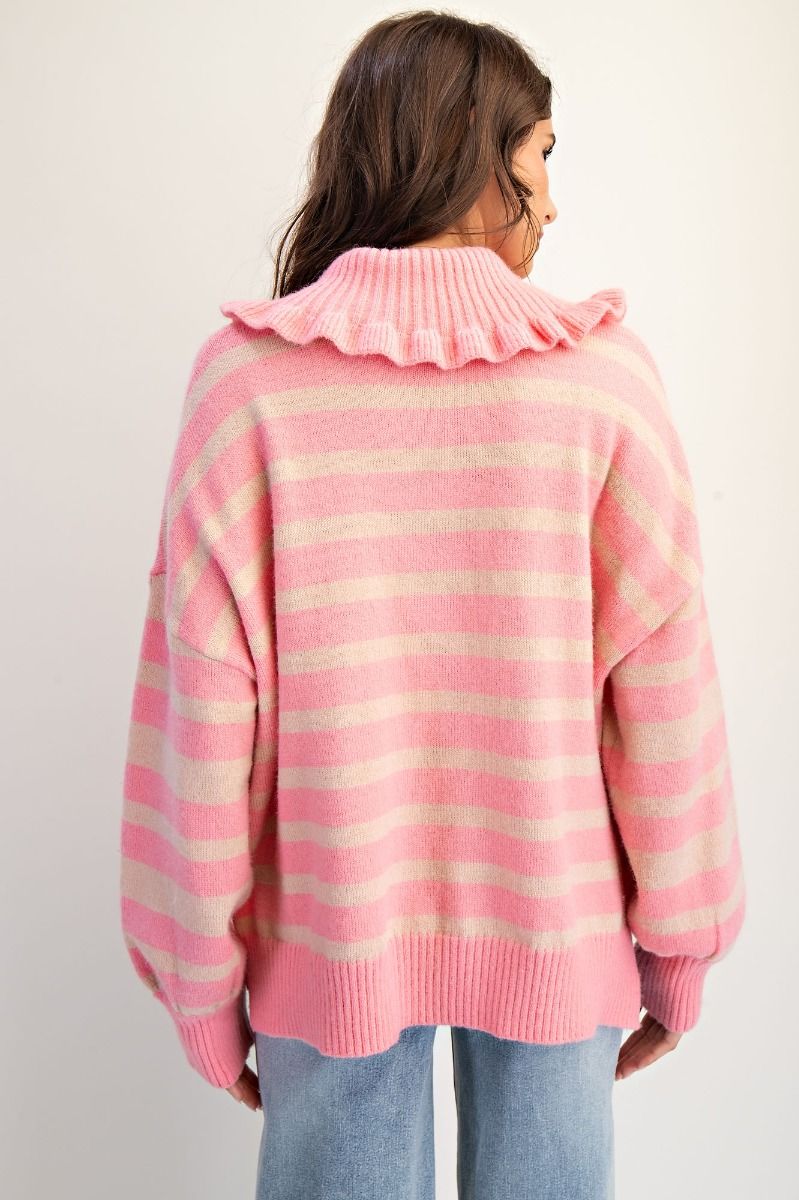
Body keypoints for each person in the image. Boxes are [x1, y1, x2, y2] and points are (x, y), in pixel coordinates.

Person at [118, 10, 746, 1198]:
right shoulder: (602, 384)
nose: (554, 200)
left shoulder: (247, 392)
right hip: (558, 928)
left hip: (327, 944)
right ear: (476, 148)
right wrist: (682, 942)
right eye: (542, 153)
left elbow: (198, 716)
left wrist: (196, 976)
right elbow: (664, 698)